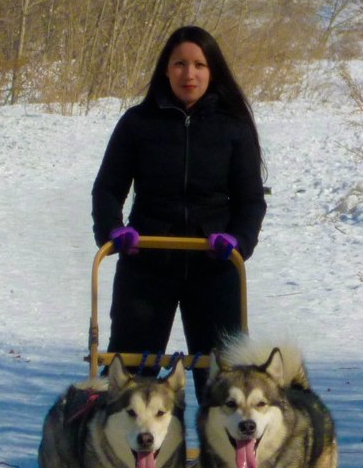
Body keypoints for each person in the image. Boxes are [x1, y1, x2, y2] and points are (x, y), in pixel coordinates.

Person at [92, 25, 267, 401]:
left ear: (212, 71)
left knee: (225, 384)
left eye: (199, 65)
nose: (190, 74)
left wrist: (238, 240)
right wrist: (113, 230)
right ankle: (120, 439)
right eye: (180, 64)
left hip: (214, 265)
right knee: (129, 376)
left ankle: (219, 442)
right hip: (147, 263)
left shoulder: (233, 128)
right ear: (165, 69)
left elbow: (251, 200)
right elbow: (107, 189)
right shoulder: (137, 124)